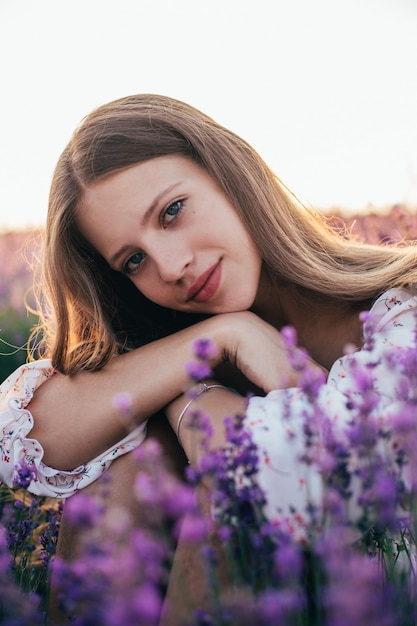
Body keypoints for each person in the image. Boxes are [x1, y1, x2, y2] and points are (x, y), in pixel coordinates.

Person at [1, 95, 417, 611]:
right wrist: (221, 340)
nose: (172, 267)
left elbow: (307, 479)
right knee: (131, 459)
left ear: (229, 172)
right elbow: (30, 436)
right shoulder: (184, 340)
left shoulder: (405, 311)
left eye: (172, 211)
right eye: (133, 261)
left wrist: (192, 401)